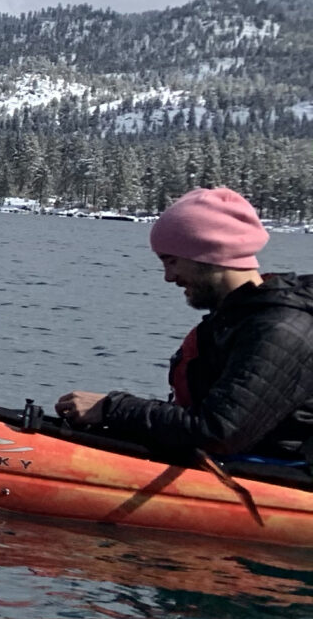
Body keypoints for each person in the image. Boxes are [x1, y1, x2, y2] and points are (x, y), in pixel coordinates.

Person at [57, 188, 313, 467]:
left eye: (172, 261)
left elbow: (218, 432)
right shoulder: (237, 318)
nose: (169, 277)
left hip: (271, 477)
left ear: (209, 253)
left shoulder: (280, 329)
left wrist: (111, 409)